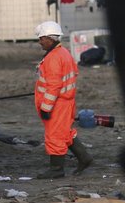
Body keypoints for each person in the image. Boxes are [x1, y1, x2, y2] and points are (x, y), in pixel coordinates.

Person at [33, 20, 93, 178]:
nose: (40, 42)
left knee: (55, 135)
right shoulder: (64, 53)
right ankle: (84, 158)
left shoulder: (53, 57)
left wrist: (46, 108)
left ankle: (56, 169)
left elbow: (53, 86)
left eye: (41, 39)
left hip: (57, 104)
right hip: (66, 102)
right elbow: (72, 74)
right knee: (65, 132)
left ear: (50, 39)